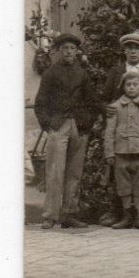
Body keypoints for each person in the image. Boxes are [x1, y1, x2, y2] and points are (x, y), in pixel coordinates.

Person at [100, 31, 139, 229]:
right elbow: (104, 98)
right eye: (129, 48)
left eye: (137, 48)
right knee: (121, 178)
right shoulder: (116, 71)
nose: (133, 52)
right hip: (120, 131)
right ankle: (121, 214)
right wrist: (106, 108)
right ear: (124, 51)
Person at [34, 33, 98, 230]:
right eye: (65, 49)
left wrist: (87, 123)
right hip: (58, 125)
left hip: (78, 126)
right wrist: (49, 124)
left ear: (77, 51)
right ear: (58, 51)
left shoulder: (82, 74)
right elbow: (40, 104)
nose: (69, 52)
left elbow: (92, 101)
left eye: (72, 49)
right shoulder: (50, 73)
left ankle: (69, 213)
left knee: (74, 172)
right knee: (55, 170)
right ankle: (50, 215)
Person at [103, 70, 139, 230]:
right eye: (128, 85)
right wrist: (109, 153)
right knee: (123, 184)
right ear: (123, 87)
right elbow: (109, 131)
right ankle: (127, 216)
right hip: (121, 152)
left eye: (135, 85)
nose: (131, 88)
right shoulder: (115, 107)